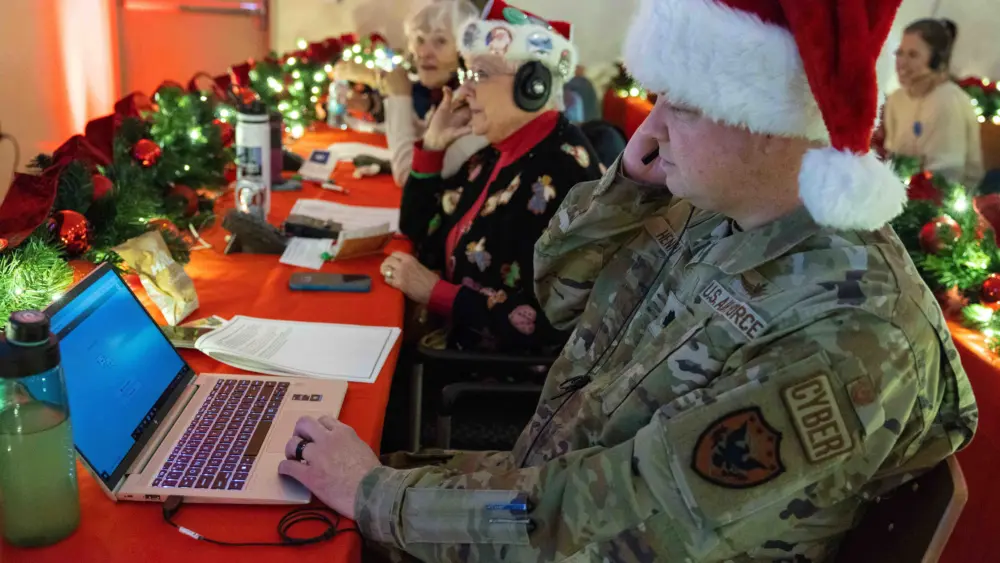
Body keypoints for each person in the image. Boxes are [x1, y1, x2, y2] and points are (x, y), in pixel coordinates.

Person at [277, 1, 978, 561]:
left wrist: (375, 493)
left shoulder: (852, 329)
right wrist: (627, 189)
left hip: (565, 529)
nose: (655, 124)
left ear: (772, 122)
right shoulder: (708, 212)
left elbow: (595, 526)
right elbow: (554, 291)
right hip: (536, 486)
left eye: (684, 104)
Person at [378, 1, 601, 355]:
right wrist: (432, 147)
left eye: (479, 75)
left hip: (491, 383)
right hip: (451, 351)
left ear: (533, 85)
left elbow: (547, 325)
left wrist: (435, 293)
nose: (463, 92)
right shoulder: (498, 151)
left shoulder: (560, 172)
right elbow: (420, 229)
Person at [367, 0, 489, 187]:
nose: (424, 52)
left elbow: (409, 176)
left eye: (440, 41)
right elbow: (424, 140)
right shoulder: (449, 93)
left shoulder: (474, 105)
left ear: (466, 51)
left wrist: (399, 98)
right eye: (420, 40)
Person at [885, 19, 984, 188]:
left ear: (936, 61)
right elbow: (892, 157)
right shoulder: (896, 99)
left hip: (944, 203)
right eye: (900, 53)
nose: (901, 62)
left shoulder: (949, 100)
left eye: (913, 55)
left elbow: (946, 177)